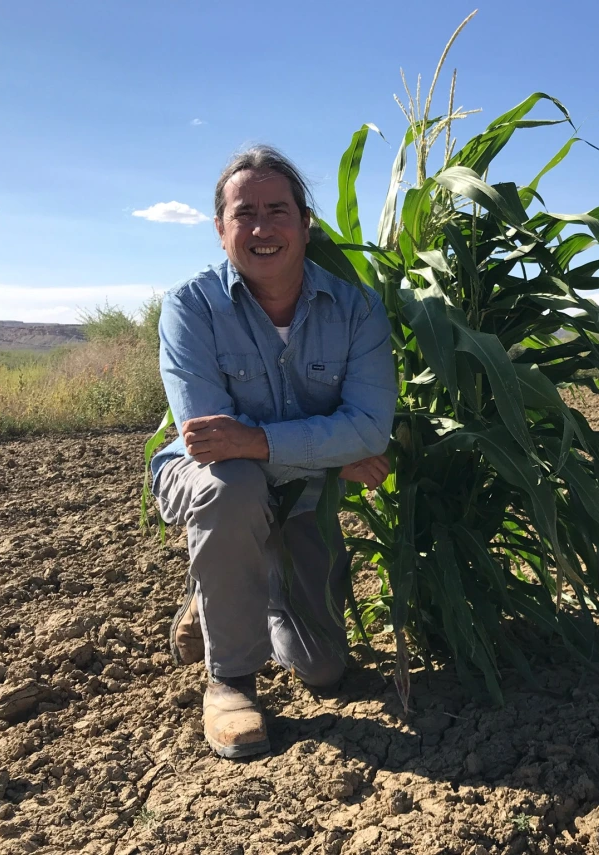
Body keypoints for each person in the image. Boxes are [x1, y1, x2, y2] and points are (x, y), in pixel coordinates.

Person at [150, 145, 396, 759]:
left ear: (305, 223)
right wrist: (331, 452)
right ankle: (229, 681)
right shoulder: (190, 307)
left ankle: (214, 594)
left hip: (305, 492)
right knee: (231, 487)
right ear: (220, 229)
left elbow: (371, 429)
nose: (262, 227)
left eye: (278, 210)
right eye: (244, 212)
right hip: (206, 477)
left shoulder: (358, 307)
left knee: (322, 671)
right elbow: (209, 441)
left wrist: (269, 442)